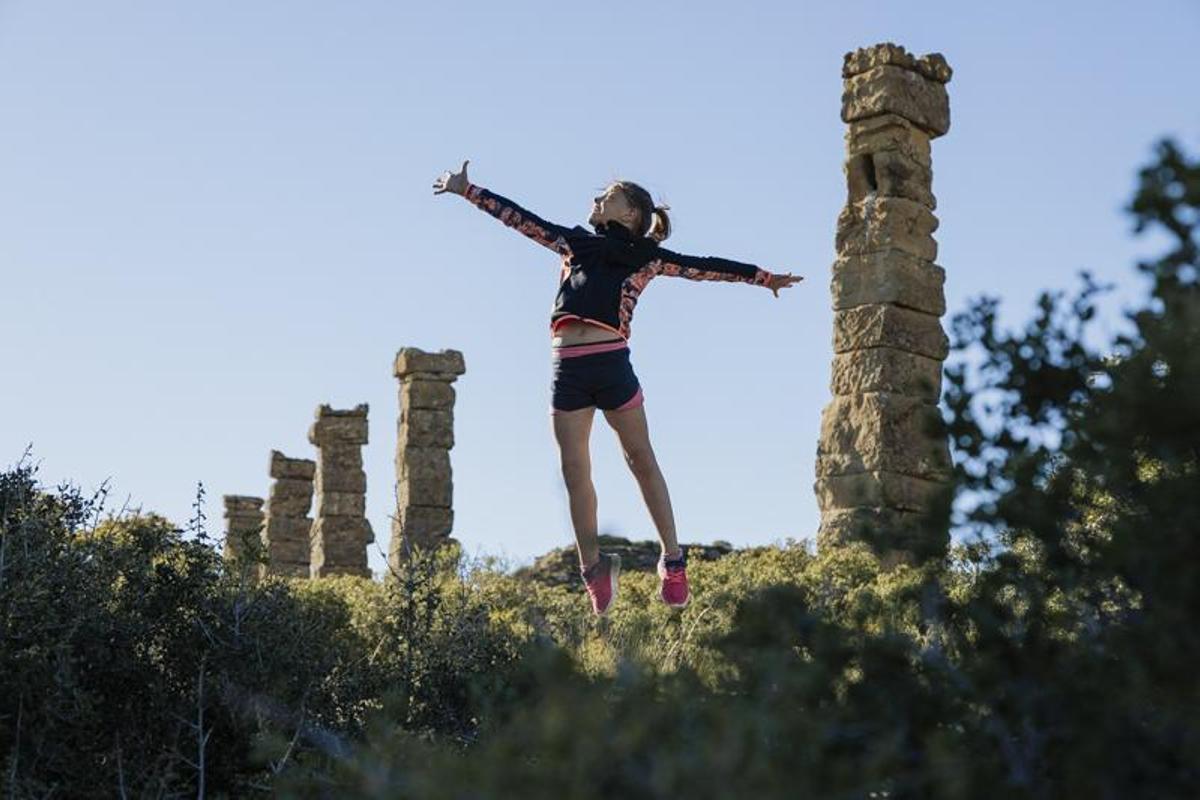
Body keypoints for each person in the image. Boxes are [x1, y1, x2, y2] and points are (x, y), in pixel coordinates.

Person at [432, 159, 803, 616]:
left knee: (640, 458)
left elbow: (703, 267)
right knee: (574, 471)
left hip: (611, 364)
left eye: (605, 196)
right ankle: (593, 570)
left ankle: (673, 560)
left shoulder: (646, 258)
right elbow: (523, 221)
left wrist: (762, 278)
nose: (594, 200)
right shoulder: (574, 242)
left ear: (629, 214)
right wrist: (470, 191)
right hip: (566, 368)